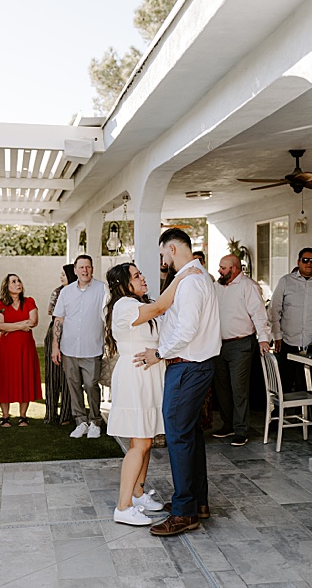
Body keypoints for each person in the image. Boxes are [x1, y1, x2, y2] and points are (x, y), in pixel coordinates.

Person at [135, 228, 221, 537]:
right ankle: (198, 502)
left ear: (172, 249)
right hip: (194, 367)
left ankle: (185, 512)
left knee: (178, 438)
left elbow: (186, 331)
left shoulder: (192, 283)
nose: (162, 260)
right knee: (191, 436)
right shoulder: (196, 278)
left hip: (187, 368)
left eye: (162, 254)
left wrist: (158, 353)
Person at [105, 262, 200, 526]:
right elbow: (160, 307)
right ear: (124, 284)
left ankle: (137, 493)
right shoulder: (124, 305)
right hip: (136, 375)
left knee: (145, 439)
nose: (143, 278)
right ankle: (122, 507)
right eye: (136, 276)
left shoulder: (140, 303)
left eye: (141, 273)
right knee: (141, 442)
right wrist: (180, 279)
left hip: (150, 375)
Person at [212, 254, 270, 447]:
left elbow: (259, 315)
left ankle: (241, 430)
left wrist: (263, 339)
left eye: (223, 268)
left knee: (239, 389)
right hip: (218, 344)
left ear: (234, 269)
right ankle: (227, 425)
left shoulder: (249, 287)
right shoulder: (217, 286)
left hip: (241, 344)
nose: (219, 270)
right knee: (222, 388)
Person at [51, 255, 108, 439]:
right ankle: (80, 422)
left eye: (88, 267)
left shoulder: (102, 289)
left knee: (91, 385)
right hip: (69, 349)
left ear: (92, 269)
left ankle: (95, 421)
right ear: (75, 270)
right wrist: (55, 346)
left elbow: (108, 316)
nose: (85, 270)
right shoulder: (66, 292)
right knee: (73, 385)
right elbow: (58, 319)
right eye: (81, 267)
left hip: (92, 348)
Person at [269, 247, 312, 393]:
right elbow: (274, 309)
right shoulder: (286, 281)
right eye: (305, 260)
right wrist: (277, 335)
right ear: (298, 262)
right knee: (284, 385)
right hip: (288, 342)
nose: (308, 264)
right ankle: (283, 413)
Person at [0, 274, 41, 427]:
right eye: (13, 281)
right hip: (6, 348)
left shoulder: (29, 301)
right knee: (5, 378)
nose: (18, 283)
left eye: (19, 280)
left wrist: (10, 326)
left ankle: (23, 416)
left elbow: (33, 322)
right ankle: (5, 416)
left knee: (24, 376)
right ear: (6, 287)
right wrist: (21, 325)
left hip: (25, 347)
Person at [44, 264, 76, 424]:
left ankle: (66, 414)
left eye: (64, 274)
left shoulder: (78, 292)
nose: (61, 277)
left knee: (68, 375)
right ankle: (50, 414)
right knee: (51, 375)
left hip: (72, 335)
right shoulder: (57, 292)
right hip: (55, 333)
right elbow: (52, 312)